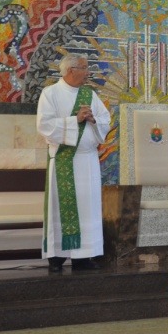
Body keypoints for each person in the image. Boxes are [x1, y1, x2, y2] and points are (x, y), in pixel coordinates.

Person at [36, 53, 111, 272]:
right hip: (63, 161)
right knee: (62, 208)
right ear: (71, 70)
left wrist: (93, 119)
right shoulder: (50, 94)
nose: (88, 72)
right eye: (85, 68)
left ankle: (83, 258)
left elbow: (105, 120)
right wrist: (74, 120)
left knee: (88, 209)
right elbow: (45, 126)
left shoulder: (89, 95)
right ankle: (57, 258)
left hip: (87, 161)